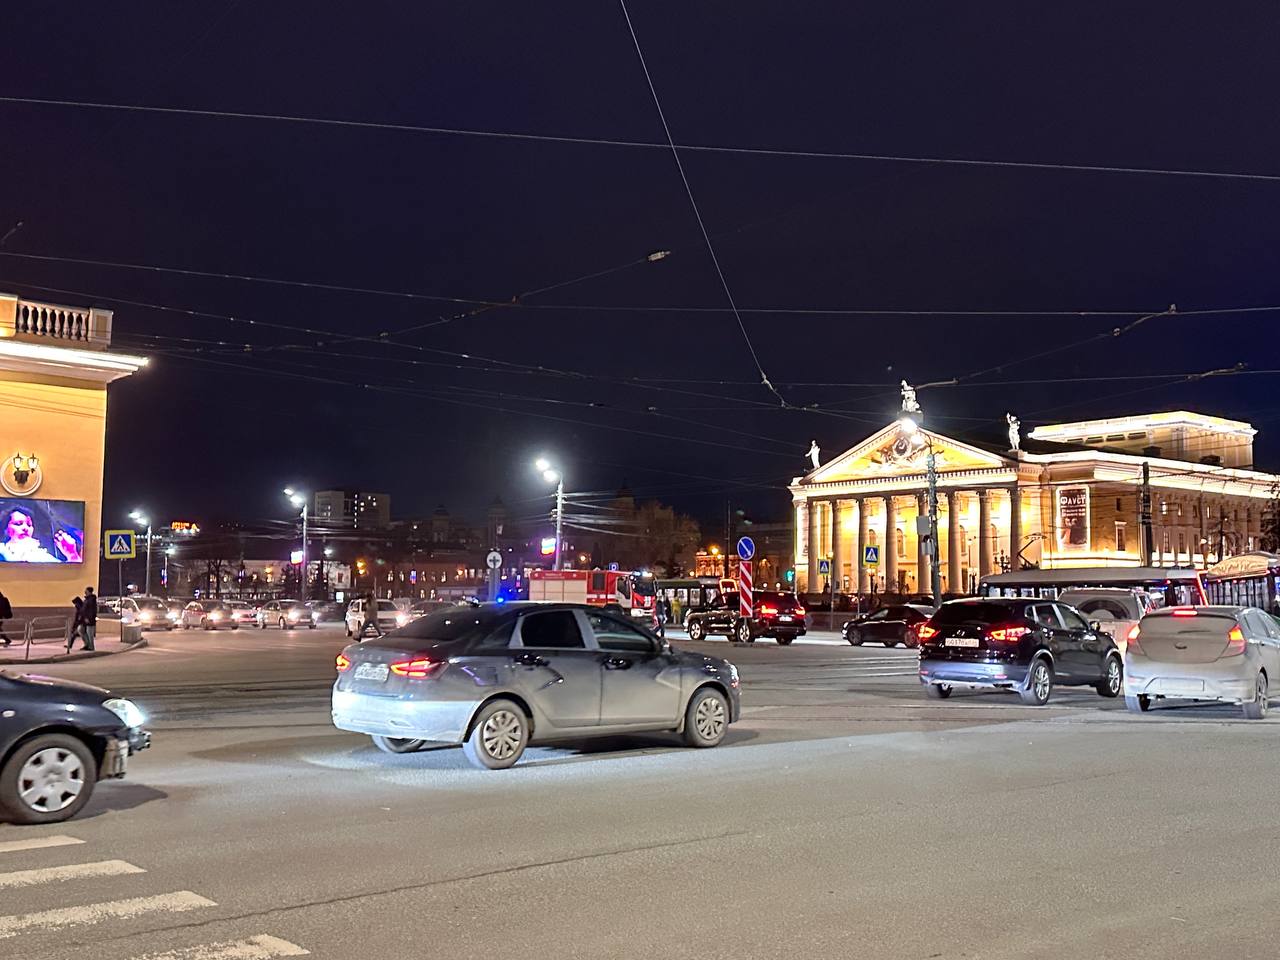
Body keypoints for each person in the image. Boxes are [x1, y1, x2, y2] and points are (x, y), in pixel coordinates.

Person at [81, 586, 98, 652]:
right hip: (85, 619)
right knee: (81, 630)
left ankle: (91, 646)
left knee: (89, 633)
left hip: (90, 619)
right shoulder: (87, 599)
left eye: (86, 590)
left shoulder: (91, 600)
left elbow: (92, 610)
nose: (85, 592)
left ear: (89, 591)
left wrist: (88, 618)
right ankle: (87, 644)